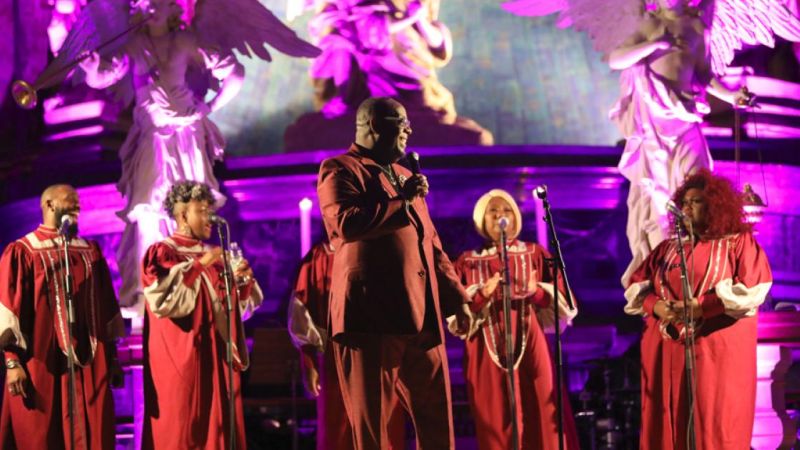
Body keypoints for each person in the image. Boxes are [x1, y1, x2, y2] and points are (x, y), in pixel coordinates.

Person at [316, 96, 474, 449]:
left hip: (421, 314)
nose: (409, 129)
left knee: (436, 419)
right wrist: (401, 202)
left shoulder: (405, 176)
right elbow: (346, 224)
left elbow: (430, 243)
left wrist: (456, 298)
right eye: (400, 121)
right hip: (370, 315)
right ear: (373, 124)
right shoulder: (340, 169)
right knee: (372, 426)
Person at [624, 169, 773, 449]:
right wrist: (657, 307)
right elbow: (637, 287)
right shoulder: (666, 248)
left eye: (697, 201)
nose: (687, 207)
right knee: (668, 418)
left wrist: (701, 306)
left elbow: (753, 290)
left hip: (716, 350)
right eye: (685, 202)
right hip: (666, 348)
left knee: (714, 421)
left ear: (716, 205)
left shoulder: (737, 243)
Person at [608, 0, 753, 285]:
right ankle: (668, 270)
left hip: (685, 119)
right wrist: (653, 45)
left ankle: (700, 259)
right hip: (654, 124)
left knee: (697, 183)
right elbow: (616, 59)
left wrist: (731, 96)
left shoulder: (698, 26)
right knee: (661, 196)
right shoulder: (649, 24)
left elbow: (702, 75)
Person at [449, 189, 579, 450]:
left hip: (531, 342)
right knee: (495, 415)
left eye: (506, 210)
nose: (500, 216)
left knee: (541, 406)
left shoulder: (535, 253)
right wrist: (483, 295)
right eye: (493, 211)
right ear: (481, 220)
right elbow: (455, 315)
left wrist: (537, 291)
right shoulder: (467, 262)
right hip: (485, 349)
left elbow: (564, 303)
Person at [0, 184, 124, 449]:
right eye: (71, 200)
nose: (77, 205)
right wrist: (12, 363)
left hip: (90, 364)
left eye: (78, 201)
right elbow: (9, 309)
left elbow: (106, 307)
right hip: (43, 361)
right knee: (43, 433)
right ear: (49, 205)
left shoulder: (89, 251)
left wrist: (112, 358)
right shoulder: (24, 251)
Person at [141, 180, 264, 449]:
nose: (210, 217)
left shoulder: (216, 256)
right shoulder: (163, 252)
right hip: (181, 360)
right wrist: (199, 265)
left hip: (216, 356)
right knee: (183, 428)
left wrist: (242, 285)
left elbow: (233, 310)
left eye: (210, 210)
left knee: (219, 429)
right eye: (203, 210)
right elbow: (166, 301)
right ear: (183, 214)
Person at [287, 240, 406, 449]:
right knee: (340, 429)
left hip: (379, 355)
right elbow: (301, 313)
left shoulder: (380, 246)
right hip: (336, 357)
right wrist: (309, 361)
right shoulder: (318, 258)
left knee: (382, 424)